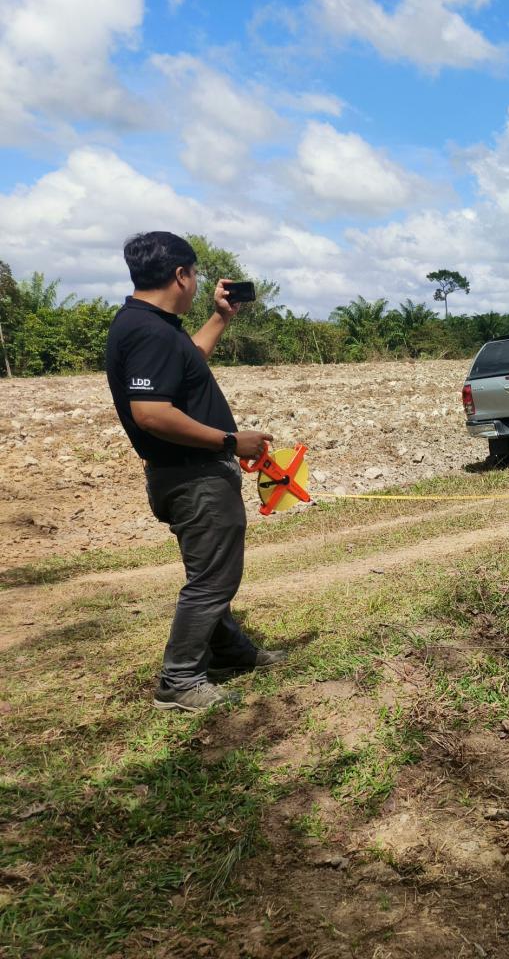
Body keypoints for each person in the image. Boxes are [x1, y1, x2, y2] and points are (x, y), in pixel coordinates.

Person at [105, 232, 286, 712]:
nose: (197, 283)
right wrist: (231, 441)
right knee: (211, 580)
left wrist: (221, 317)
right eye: (195, 276)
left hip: (184, 474)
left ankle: (229, 652)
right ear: (181, 275)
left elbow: (186, 362)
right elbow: (151, 412)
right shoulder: (148, 331)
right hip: (194, 477)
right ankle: (180, 679)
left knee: (210, 570)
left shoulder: (149, 325)